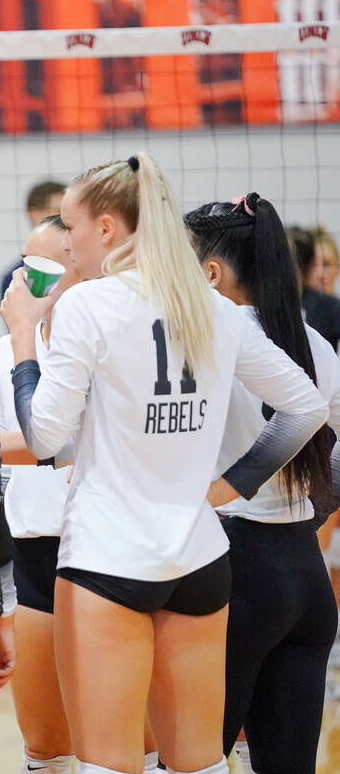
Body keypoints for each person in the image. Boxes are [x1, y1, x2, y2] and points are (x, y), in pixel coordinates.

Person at [1, 152, 328, 774]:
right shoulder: (214, 309)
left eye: (69, 228)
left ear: (105, 228)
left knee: (109, 763)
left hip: (108, 556)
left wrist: (23, 337)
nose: (66, 246)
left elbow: (43, 436)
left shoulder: (88, 306)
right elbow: (305, 407)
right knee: (199, 764)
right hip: (200, 558)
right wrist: (231, 487)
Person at [186, 193, 340, 772]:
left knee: (192, 759)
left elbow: (294, 416)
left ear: (211, 271)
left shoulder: (206, 344)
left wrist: (226, 490)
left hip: (236, 569)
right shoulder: (313, 342)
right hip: (305, 578)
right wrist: (319, 506)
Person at [0, 180, 67, 302]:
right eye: (58, 212)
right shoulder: (17, 278)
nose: (66, 219)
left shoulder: (88, 268)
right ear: (34, 215)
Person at [291, 225, 340, 349]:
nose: (319, 273)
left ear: (337, 268)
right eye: (313, 265)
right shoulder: (292, 308)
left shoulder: (334, 308)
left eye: (326, 264)